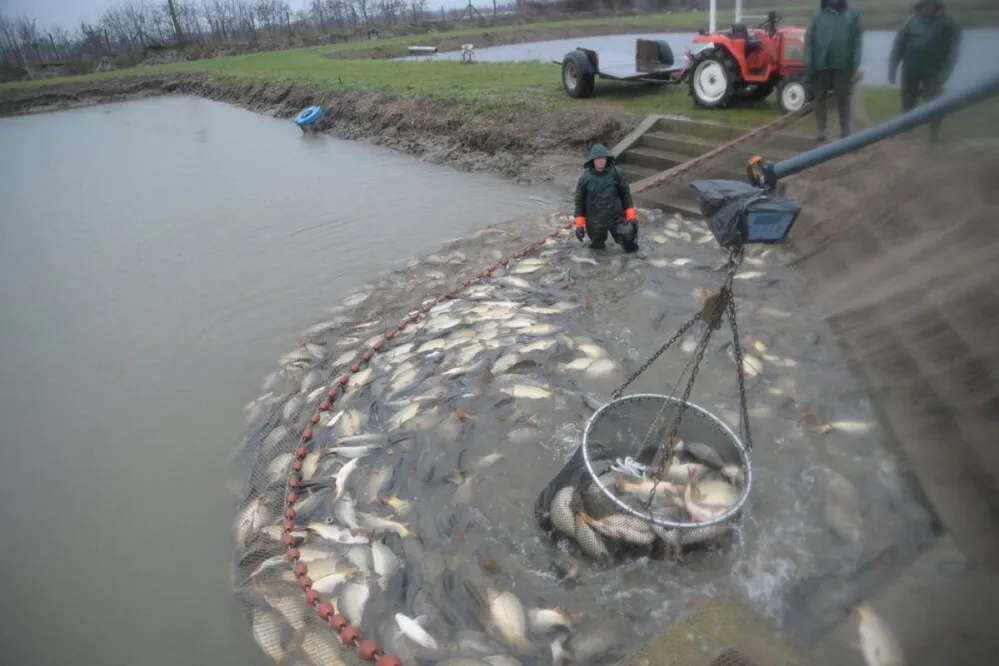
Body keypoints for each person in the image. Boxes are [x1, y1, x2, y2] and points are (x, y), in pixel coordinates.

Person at [888, 0, 962, 141]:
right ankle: (907, 132)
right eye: (923, 5)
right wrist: (892, 68)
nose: (926, 8)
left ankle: (935, 135)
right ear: (919, 7)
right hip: (911, 68)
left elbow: (954, 50)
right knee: (908, 101)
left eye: (929, 5)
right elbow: (898, 46)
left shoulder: (948, 23)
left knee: (935, 102)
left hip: (934, 71)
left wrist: (946, 73)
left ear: (936, 6)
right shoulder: (911, 22)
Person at [804, 0, 864, 142]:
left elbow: (858, 40)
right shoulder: (817, 15)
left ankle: (845, 130)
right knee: (819, 98)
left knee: (843, 98)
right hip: (821, 63)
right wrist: (809, 61)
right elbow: (809, 40)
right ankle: (821, 130)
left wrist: (855, 62)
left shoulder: (853, 14)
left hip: (843, 64)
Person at [574, 144, 639, 253]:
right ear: (593, 160)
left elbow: (625, 194)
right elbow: (579, 201)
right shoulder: (585, 178)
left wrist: (631, 216)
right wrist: (580, 225)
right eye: (598, 158)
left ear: (607, 159)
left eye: (603, 158)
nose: (601, 161)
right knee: (597, 250)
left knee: (629, 239)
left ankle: (633, 260)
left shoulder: (616, 173)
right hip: (595, 220)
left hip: (616, 216)